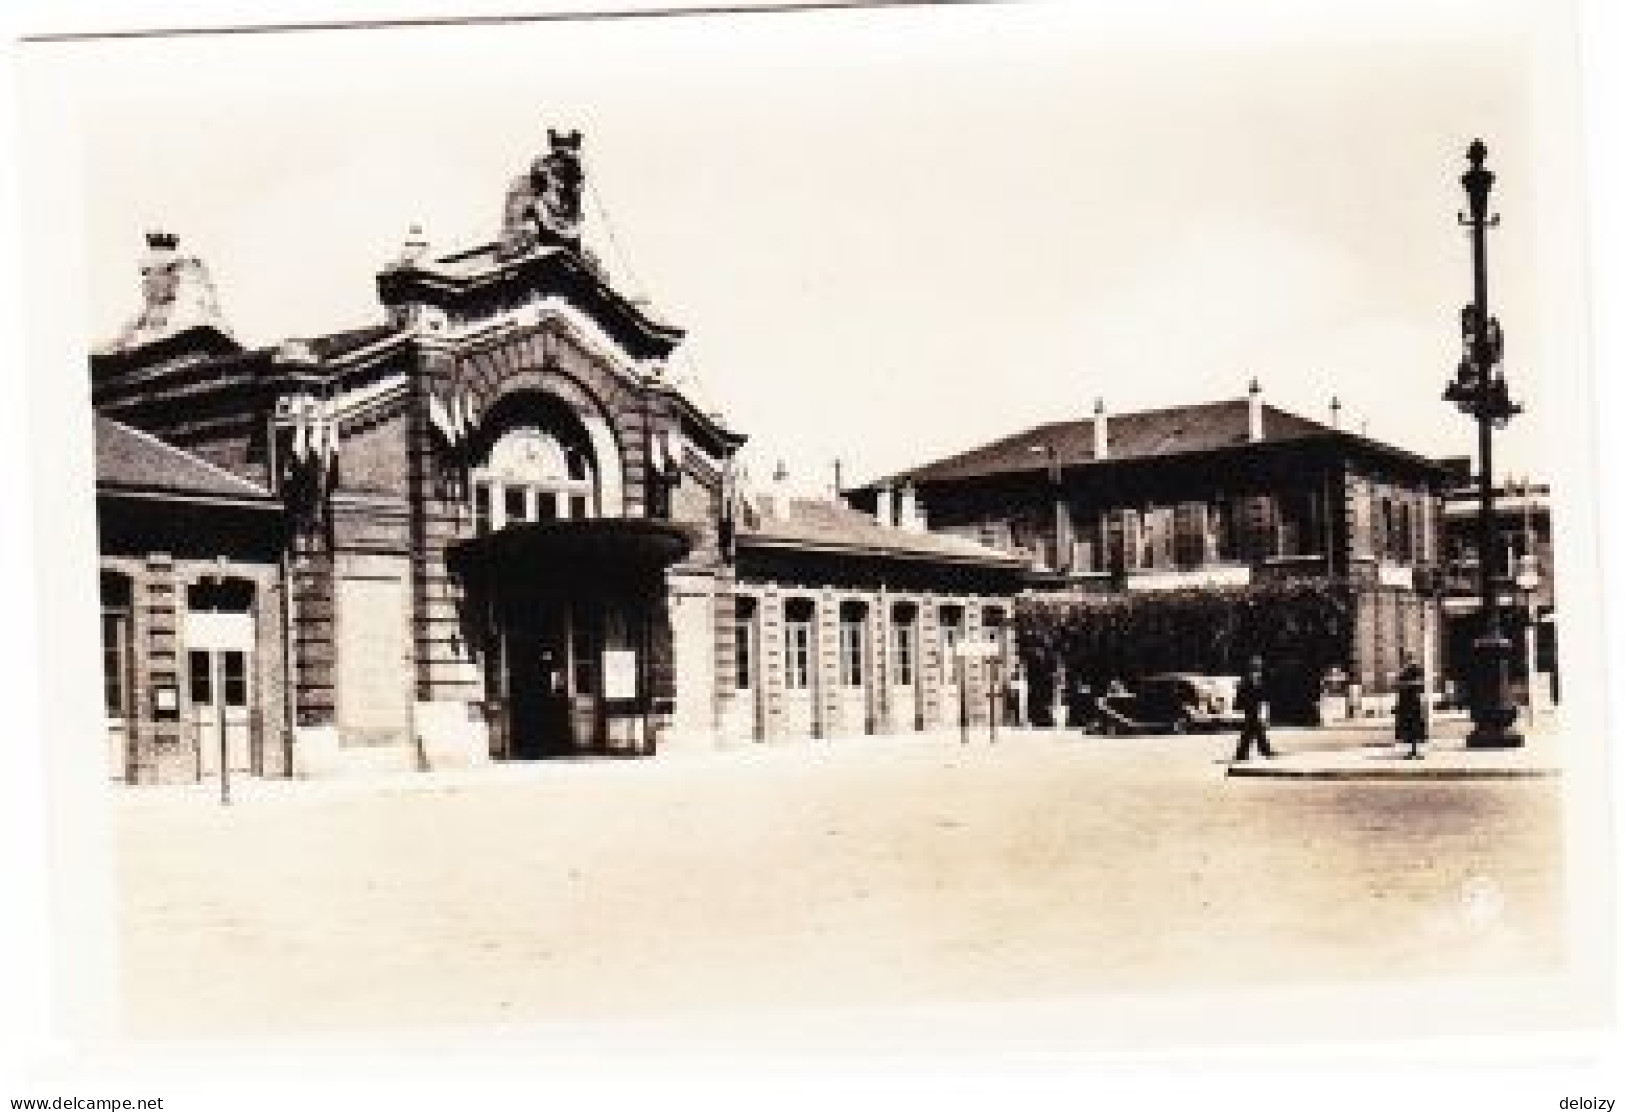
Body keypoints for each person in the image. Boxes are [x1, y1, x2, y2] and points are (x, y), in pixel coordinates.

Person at [1232, 656, 1275, 761]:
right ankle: (1246, 753)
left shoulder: (1257, 677)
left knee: (1253, 729)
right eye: (1258, 663)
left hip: (1254, 705)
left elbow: (1260, 692)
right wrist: (1240, 705)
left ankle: (1260, 750)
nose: (1260, 665)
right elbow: (1243, 692)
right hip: (1249, 706)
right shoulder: (1248, 678)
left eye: (1260, 663)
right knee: (1251, 729)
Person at [1393, 653, 1427, 759]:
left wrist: (1405, 685)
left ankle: (1414, 751)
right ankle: (1412, 751)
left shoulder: (1416, 669)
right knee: (1408, 727)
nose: (1408, 661)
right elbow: (1395, 684)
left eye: (1409, 658)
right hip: (1405, 703)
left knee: (1414, 726)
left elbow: (1421, 684)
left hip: (1413, 702)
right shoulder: (1403, 670)